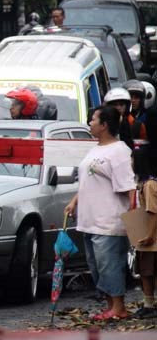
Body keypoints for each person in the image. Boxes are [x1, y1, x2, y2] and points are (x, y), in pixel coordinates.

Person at [64, 106, 136, 321]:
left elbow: (129, 186)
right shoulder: (95, 149)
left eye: (93, 120)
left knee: (110, 264)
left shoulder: (119, 151)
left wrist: (134, 219)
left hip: (109, 220)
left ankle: (119, 307)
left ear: (104, 125)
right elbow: (88, 181)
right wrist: (74, 201)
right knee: (96, 267)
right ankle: (109, 306)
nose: (90, 123)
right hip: (89, 219)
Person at [132, 144, 157, 318]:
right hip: (145, 233)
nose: (130, 162)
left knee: (150, 271)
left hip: (152, 237)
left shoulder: (149, 185)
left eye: (132, 159)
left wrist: (149, 236)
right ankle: (148, 303)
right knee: (145, 271)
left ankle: (150, 305)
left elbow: (153, 212)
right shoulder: (142, 183)